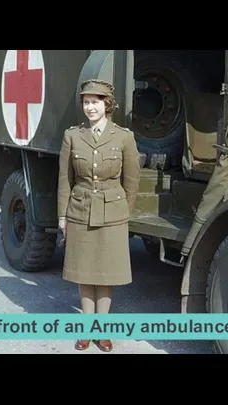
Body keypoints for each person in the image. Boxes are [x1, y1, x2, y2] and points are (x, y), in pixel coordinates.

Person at [57, 79, 141, 352]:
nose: (90, 107)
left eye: (95, 102)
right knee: (85, 272)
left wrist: (123, 212)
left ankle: (101, 329)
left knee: (106, 274)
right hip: (80, 209)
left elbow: (132, 180)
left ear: (107, 104)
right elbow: (64, 180)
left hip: (112, 212)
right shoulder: (72, 136)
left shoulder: (124, 137)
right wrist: (62, 216)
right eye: (86, 102)